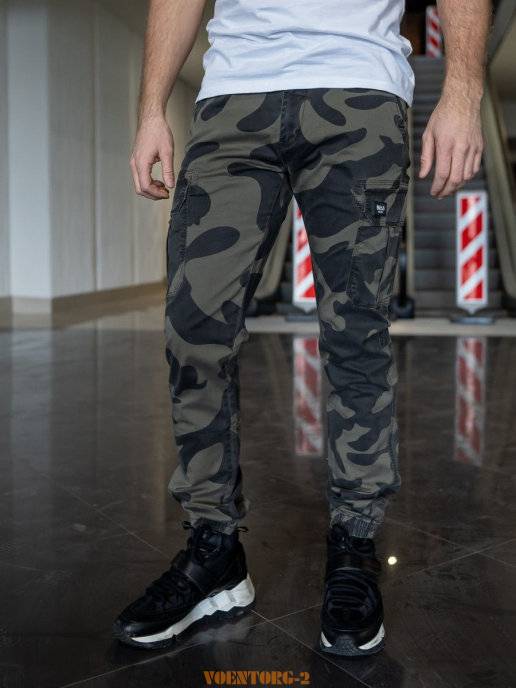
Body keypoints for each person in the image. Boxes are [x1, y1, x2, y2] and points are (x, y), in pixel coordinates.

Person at [113, 0, 489, 655]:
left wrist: (462, 91)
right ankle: (214, 548)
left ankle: (355, 542)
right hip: (233, 93)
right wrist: (151, 107)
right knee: (194, 328)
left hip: (358, 86)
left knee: (356, 336)